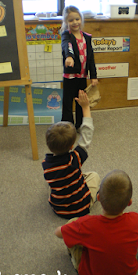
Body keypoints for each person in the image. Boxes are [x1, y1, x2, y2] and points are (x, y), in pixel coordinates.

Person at [54, 170, 138, 275]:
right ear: (129, 202)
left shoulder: (86, 224)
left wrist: (70, 227)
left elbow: (59, 233)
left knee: (73, 223)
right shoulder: (135, 219)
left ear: (98, 198)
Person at [42, 90, 100, 219]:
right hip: (82, 208)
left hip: (58, 209)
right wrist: (85, 108)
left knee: (56, 182)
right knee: (94, 175)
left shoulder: (46, 164)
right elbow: (86, 135)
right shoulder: (75, 159)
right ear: (71, 146)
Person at [61, 5, 98, 130]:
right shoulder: (66, 35)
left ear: (81, 19)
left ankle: (81, 124)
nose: (75, 22)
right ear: (66, 22)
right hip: (70, 76)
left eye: (77, 19)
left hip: (82, 76)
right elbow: (68, 46)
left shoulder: (86, 37)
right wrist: (69, 57)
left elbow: (91, 58)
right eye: (71, 20)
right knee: (68, 102)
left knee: (81, 101)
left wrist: (93, 76)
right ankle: (67, 126)